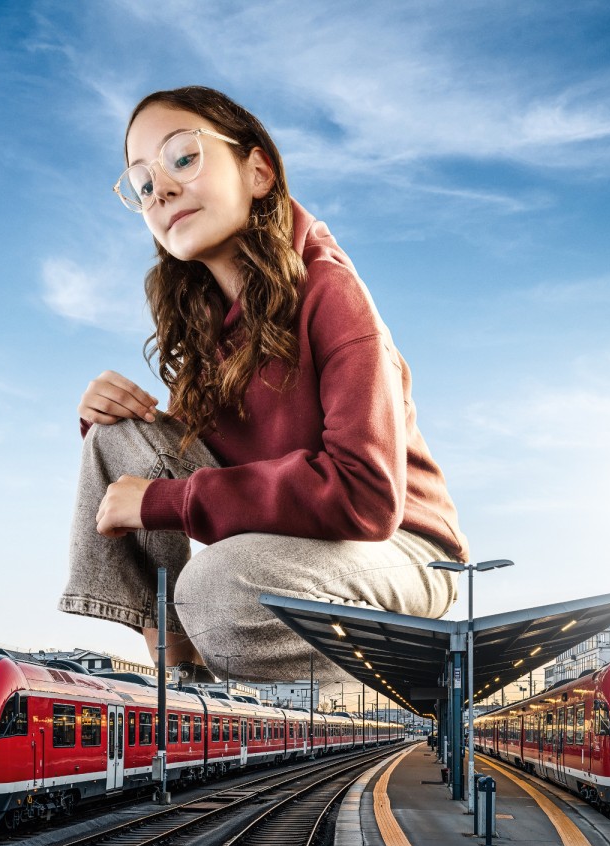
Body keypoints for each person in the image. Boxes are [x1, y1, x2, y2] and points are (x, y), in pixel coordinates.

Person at [59, 86, 468, 685]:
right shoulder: (207, 323)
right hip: (303, 539)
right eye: (142, 185)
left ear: (258, 171)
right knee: (114, 437)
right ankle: (180, 677)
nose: (161, 190)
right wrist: (108, 416)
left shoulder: (332, 294)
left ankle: (412, 661)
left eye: (182, 158)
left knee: (213, 592)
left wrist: (164, 502)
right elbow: (187, 462)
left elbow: (367, 496)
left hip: (407, 549)